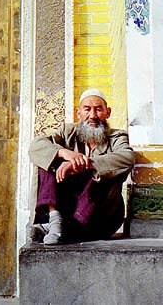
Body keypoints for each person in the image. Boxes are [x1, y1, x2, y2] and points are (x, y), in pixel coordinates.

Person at [28, 88, 135, 245]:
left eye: (98, 109)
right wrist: (64, 153)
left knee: (97, 174)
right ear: (78, 113)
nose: (92, 115)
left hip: (101, 216)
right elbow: (36, 146)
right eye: (87, 109)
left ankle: (51, 229)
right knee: (48, 161)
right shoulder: (66, 132)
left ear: (108, 112)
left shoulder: (117, 137)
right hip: (66, 209)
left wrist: (87, 163)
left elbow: (127, 157)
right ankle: (55, 218)